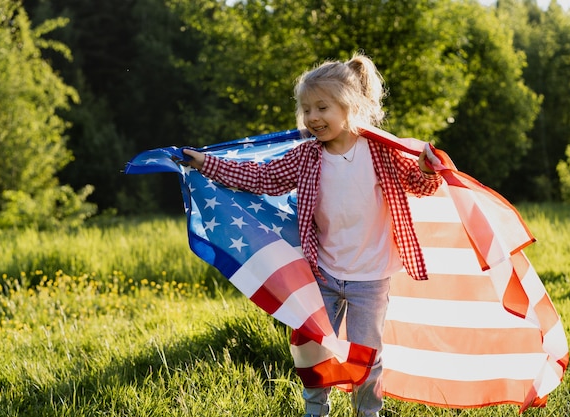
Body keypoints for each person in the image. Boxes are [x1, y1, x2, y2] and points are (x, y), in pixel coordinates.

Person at [182, 52, 442, 417]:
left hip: (371, 276)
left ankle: (368, 412)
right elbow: (262, 178)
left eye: (322, 107)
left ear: (349, 105)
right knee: (312, 349)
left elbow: (420, 186)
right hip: (323, 272)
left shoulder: (382, 151)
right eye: (306, 109)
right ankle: (316, 410)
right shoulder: (306, 156)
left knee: (367, 354)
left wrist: (428, 168)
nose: (313, 117)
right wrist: (207, 163)